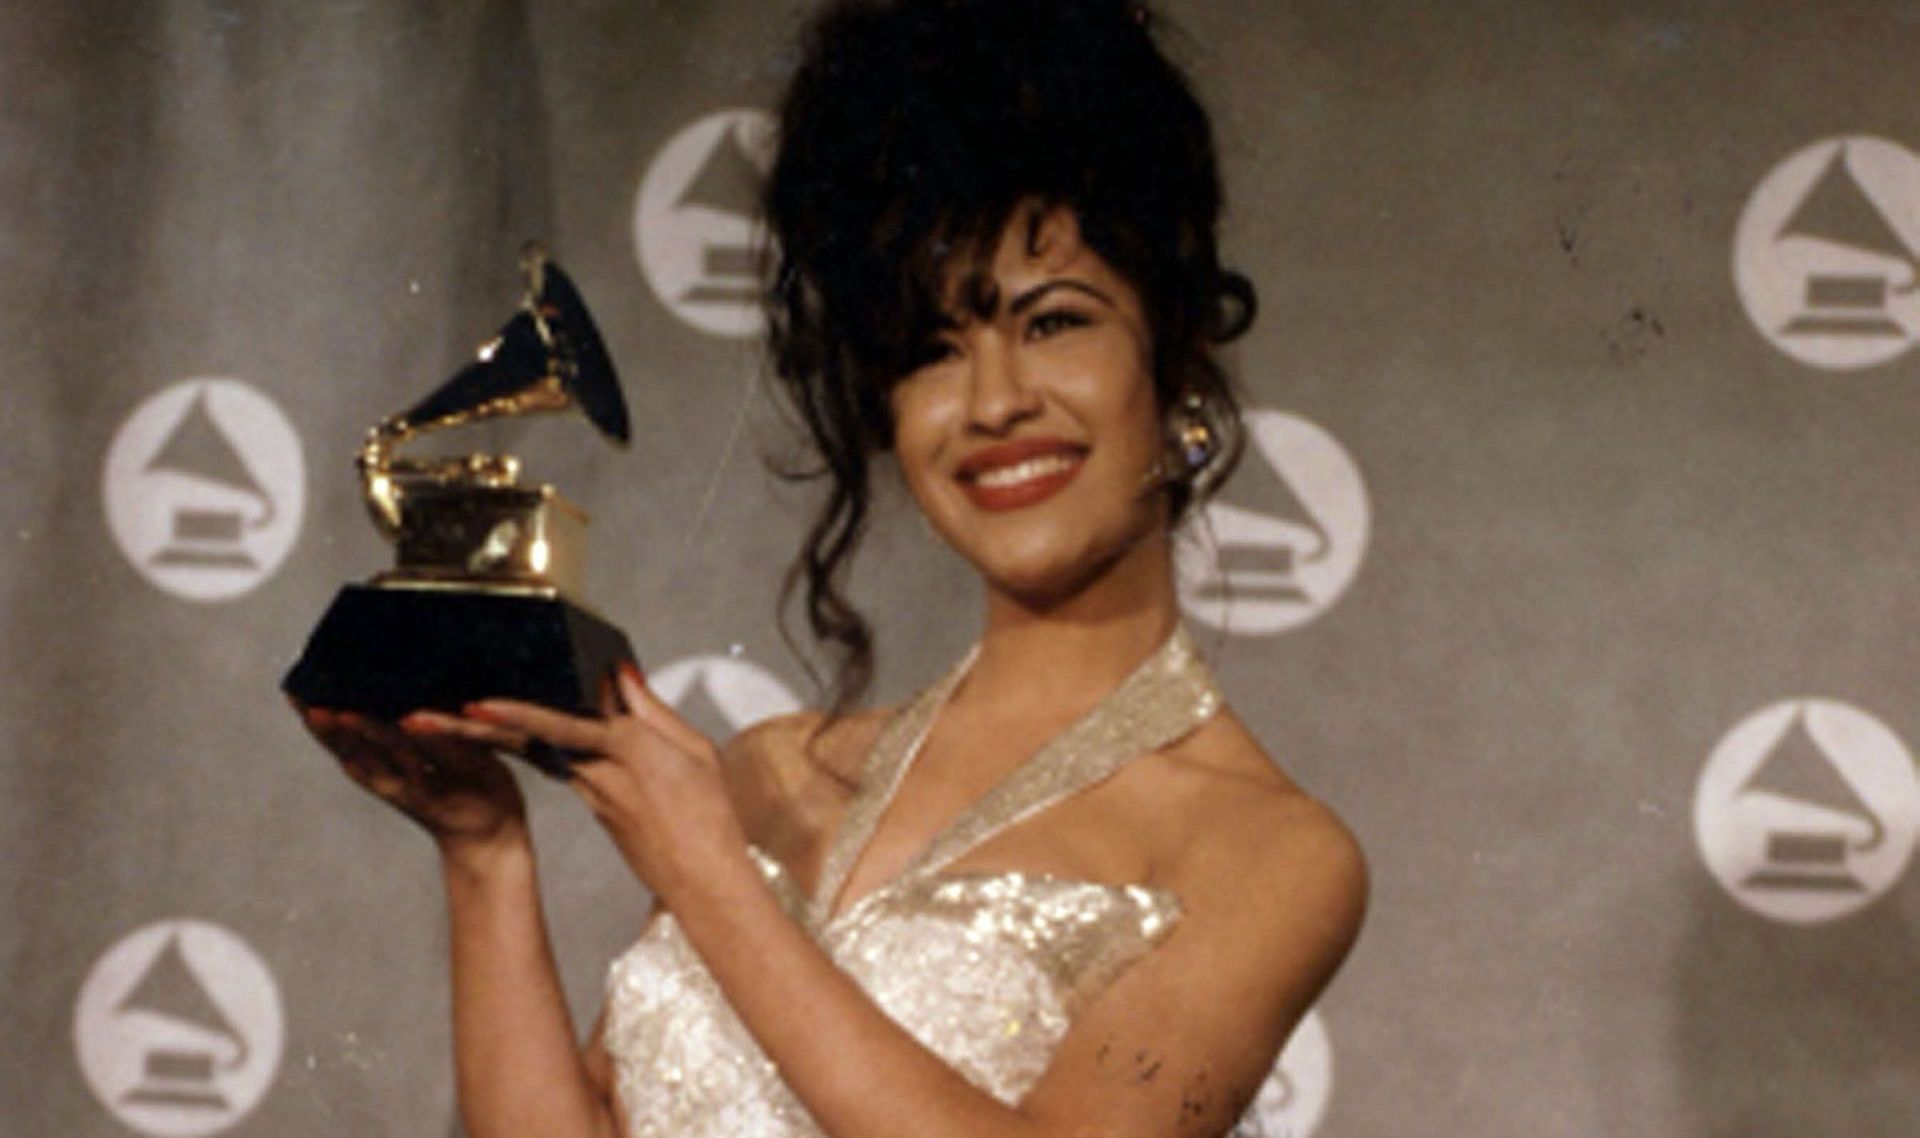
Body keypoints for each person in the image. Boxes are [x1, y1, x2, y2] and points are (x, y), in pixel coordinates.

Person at [298, 2, 1366, 1137]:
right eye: (931, 350)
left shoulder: (1266, 852)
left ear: (1178, 372)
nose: (995, 399)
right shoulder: (768, 777)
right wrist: (486, 857)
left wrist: (714, 879)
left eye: (1053, 322)